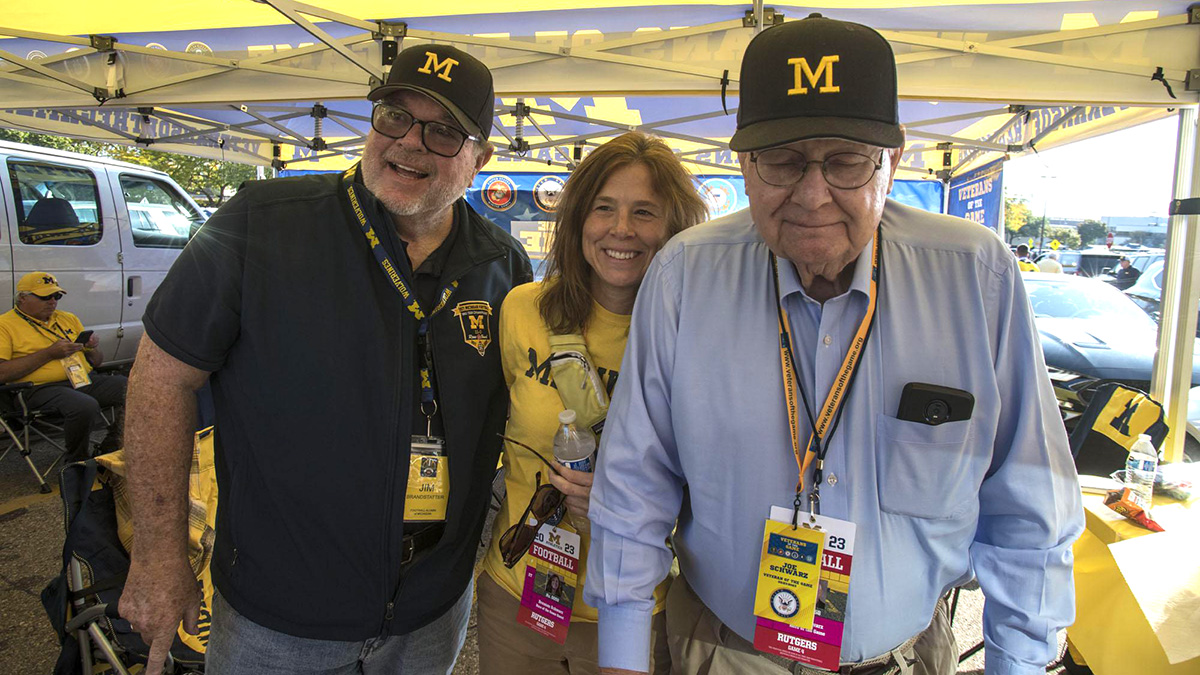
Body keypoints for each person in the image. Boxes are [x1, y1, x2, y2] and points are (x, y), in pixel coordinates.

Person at [585, 15, 1083, 675]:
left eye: (846, 161)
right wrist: (623, 656)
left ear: (893, 160)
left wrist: (1017, 661)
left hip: (905, 655)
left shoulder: (976, 276)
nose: (813, 195)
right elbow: (634, 483)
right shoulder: (684, 275)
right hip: (725, 651)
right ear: (745, 164)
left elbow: (1030, 499)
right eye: (783, 161)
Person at [119, 43, 532, 675]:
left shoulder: (504, 265)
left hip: (430, 615)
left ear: (482, 158)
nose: (410, 143)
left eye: (445, 132)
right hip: (275, 619)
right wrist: (157, 555)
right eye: (394, 116)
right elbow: (161, 380)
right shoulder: (262, 223)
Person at [478, 131, 706, 675]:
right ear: (579, 217)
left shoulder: (695, 334)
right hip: (517, 593)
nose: (621, 229)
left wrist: (629, 495)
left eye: (645, 212)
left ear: (674, 229)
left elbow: (715, 482)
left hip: (630, 606)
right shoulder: (523, 309)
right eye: (604, 208)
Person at [0, 271, 124, 463]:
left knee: (136, 388)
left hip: (81, 379)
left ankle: (111, 446)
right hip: (37, 389)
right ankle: (77, 462)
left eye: (56, 296)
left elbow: (97, 362)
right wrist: (49, 354)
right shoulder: (5, 325)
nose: (52, 302)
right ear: (23, 298)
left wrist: (91, 348)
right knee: (84, 405)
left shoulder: (67, 318)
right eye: (45, 297)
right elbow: (2, 373)